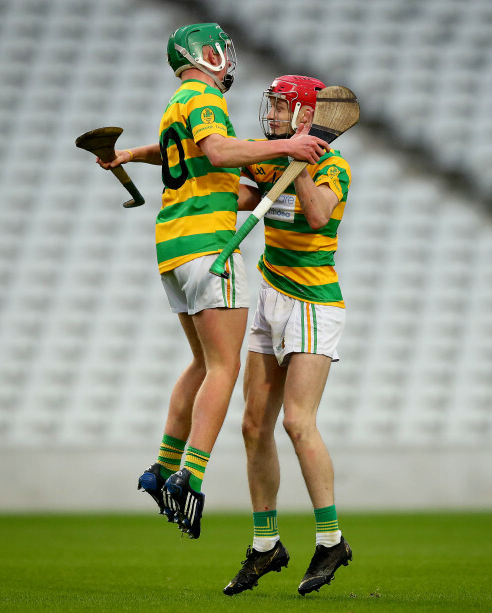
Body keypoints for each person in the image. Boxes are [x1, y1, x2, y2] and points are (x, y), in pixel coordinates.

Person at [96, 26, 329, 540]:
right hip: (210, 245)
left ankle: (162, 465)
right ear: (207, 54)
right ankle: (189, 476)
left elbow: (180, 152)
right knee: (224, 366)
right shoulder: (203, 96)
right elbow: (219, 152)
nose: (227, 57)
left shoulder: (178, 101)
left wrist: (132, 155)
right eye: (220, 50)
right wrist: (284, 144)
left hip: (172, 248)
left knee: (202, 362)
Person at [223, 75, 352, 596]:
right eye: (271, 105)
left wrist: (298, 163)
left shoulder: (333, 166)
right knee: (254, 426)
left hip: (314, 303)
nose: (270, 114)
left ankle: (331, 540)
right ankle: (265, 546)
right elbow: (237, 183)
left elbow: (318, 215)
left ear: (304, 115)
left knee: (299, 422)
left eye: (280, 107)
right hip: (270, 294)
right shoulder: (264, 152)